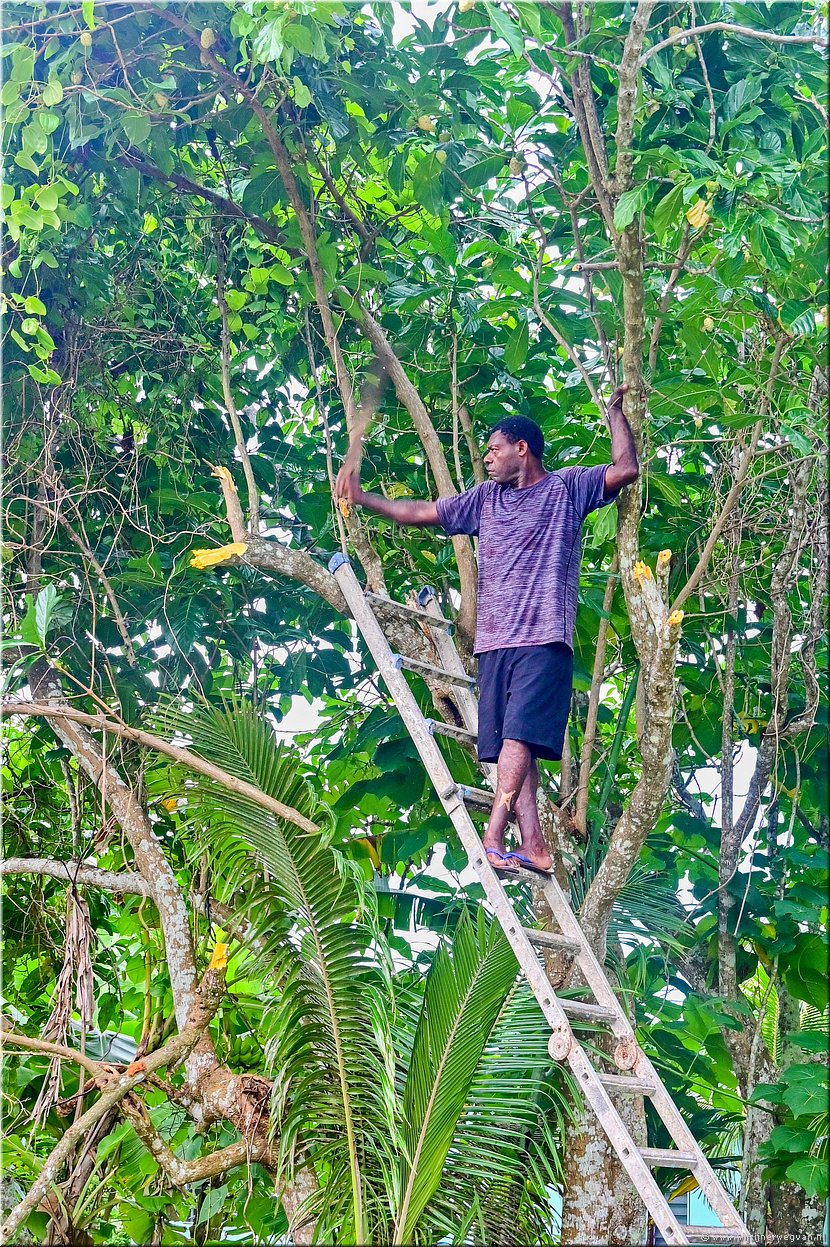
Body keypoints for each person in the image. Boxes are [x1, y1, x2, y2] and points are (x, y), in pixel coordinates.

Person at [335, 384, 639, 877]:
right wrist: (363, 497)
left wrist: (614, 415)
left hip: (544, 637)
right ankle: (536, 846)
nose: (489, 461)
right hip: (495, 642)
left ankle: (494, 834)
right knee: (511, 750)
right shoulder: (485, 500)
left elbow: (625, 470)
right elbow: (423, 513)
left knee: (519, 737)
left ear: (523, 448)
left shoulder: (565, 488)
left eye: (495, 451)